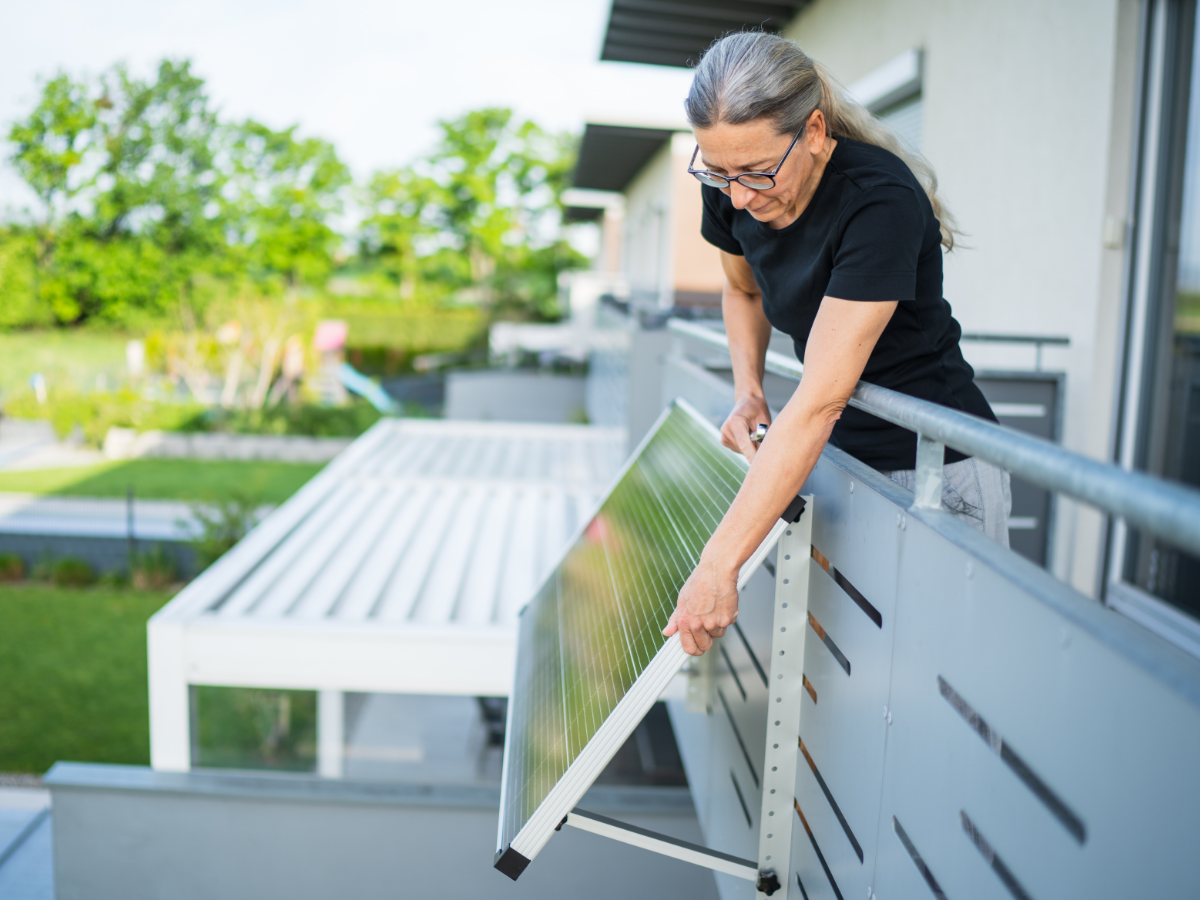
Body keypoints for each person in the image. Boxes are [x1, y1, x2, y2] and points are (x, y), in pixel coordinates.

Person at [663, 33, 1011, 657]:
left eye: (757, 172)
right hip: (833, 455)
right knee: (852, 674)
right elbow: (742, 293)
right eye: (718, 172)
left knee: (949, 680)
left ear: (816, 130)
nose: (737, 195)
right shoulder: (729, 183)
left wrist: (719, 565)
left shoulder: (880, 200)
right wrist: (748, 393)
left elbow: (822, 397)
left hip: (937, 467)